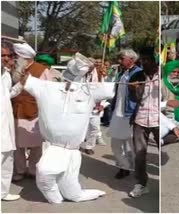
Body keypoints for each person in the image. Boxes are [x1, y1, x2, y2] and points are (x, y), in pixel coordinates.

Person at [19, 52, 115, 204]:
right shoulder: (47, 87)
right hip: (54, 147)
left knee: (73, 194)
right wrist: (20, 63)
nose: (75, 76)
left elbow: (108, 90)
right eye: (73, 71)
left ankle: (94, 193)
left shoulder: (88, 90)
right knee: (45, 172)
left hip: (73, 151)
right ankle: (55, 199)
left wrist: (101, 74)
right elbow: (25, 80)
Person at [11, 43, 51, 181]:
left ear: (24, 57)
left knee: (36, 145)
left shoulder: (42, 70)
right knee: (17, 146)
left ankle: (33, 169)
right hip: (15, 112)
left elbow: (48, 93)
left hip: (34, 114)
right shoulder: (13, 70)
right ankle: (20, 170)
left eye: (17, 57)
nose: (15, 59)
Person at [128, 48, 159, 198]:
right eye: (142, 61)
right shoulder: (137, 76)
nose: (144, 63)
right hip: (140, 119)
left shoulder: (163, 75)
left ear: (154, 61)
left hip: (160, 120)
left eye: (147, 60)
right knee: (140, 155)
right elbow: (134, 99)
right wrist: (134, 90)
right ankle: (141, 184)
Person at [109, 49, 142, 179]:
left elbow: (143, 94)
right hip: (117, 114)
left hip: (130, 114)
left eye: (122, 59)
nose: (119, 61)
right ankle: (123, 165)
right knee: (115, 144)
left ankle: (131, 168)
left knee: (129, 146)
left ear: (131, 60)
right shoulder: (121, 73)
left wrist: (137, 87)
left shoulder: (139, 73)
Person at [1, 42, 21, 201]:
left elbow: (7, 95)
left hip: (7, 125)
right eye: (2, 55)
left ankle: (3, 193)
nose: (6, 58)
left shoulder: (6, 75)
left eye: (8, 55)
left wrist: (21, 84)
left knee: (7, 162)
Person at [80, 58, 107, 155]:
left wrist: (102, 105)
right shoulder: (80, 74)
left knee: (94, 128)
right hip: (81, 105)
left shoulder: (99, 75)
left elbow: (103, 91)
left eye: (89, 65)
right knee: (80, 127)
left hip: (95, 106)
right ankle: (76, 144)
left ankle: (89, 146)